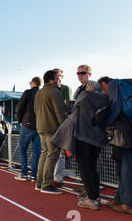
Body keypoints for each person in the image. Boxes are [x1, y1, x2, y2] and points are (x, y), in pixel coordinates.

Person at [52, 80, 110, 209]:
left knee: (84, 167)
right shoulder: (107, 100)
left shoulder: (85, 96)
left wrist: (85, 91)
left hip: (83, 136)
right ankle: (95, 195)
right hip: (98, 138)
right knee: (92, 167)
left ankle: (92, 199)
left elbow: (75, 104)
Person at [98, 76, 132, 215]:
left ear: (106, 84)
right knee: (122, 170)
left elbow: (115, 115)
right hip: (126, 136)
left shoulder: (115, 86)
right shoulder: (123, 93)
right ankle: (120, 199)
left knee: (129, 170)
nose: (103, 93)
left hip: (128, 137)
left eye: (102, 89)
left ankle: (131, 205)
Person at [34, 70, 66, 194]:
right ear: (52, 79)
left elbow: (36, 110)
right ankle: (46, 184)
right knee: (52, 155)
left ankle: (40, 182)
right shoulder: (54, 91)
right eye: (58, 78)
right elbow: (59, 112)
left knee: (44, 154)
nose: (60, 80)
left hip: (41, 127)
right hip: (52, 128)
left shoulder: (40, 92)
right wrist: (64, 128)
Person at [15, 76, 42, 181]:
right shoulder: (41, 93)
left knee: (22, 148)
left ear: (33, 83)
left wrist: (20, 120)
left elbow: (20, 107)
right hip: (39, 125)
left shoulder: (28, 92)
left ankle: (24, 173)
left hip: (27, 124)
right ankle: (34, 174)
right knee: (36, 151)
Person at [53, 68, 72, 185]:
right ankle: (49, 175)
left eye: (59, 76)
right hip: (49, 124)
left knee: (60, 153)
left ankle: (57, 177)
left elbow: (68, 105)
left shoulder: (65, 89)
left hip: (61, 124)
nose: (57, 78)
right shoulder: (47, 89)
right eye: (55, 76)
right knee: (48, 152)